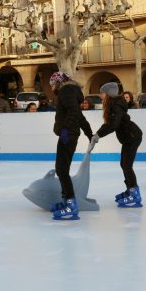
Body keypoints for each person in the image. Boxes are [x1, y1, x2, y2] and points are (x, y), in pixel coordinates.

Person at [49, 72, 93, 221]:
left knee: (61, 169)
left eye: (53, 85)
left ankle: (70, 204)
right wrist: (89, 134)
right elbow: (79, 115)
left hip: (68, 135)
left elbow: (74, 112)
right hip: (68, 134)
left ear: (59, 83)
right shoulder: (70, 92)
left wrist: (65, 129)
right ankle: (66, 200)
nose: (52, 88)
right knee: (62, 168)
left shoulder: (66, 91)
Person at [94, 82, 144, 208]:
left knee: (126, 165)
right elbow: (111, 123)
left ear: (108, 94)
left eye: (102, 93)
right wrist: (98, 133)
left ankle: (134, 194)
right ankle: (130, 190)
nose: (100, 96)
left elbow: (113, 125)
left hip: (132, 137)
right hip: (129, 137)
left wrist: (98, 134)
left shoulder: (116, 105)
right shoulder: (114, 105)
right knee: (124, 164)